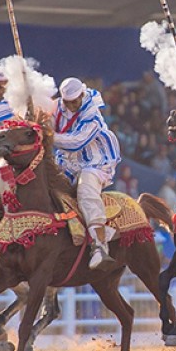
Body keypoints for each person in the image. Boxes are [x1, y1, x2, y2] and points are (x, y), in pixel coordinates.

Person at [51, 77, 121, 270]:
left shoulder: (92, 114)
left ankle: (99, 245)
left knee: (86, 185)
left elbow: (77, 141)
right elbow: (43, 122)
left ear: (82, 94)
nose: (72, 105)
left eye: (75, 101)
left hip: (96, 162)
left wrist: (48, 136)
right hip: (67, 164)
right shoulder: (57, 107)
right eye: (68, 102)